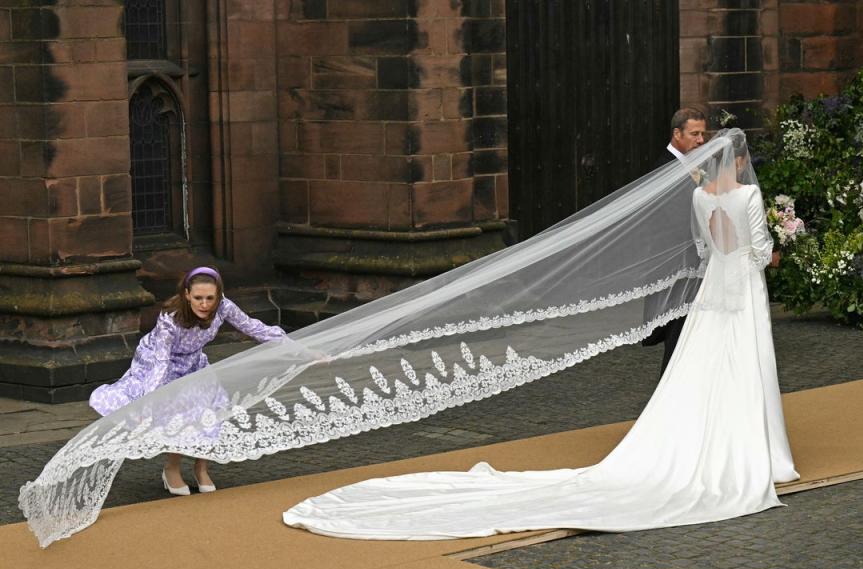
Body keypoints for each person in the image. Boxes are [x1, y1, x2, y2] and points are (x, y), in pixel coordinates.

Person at [282, 130, 801, 540]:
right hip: (744, 288)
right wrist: (773, 250)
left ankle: (704, 439)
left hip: (713, 290)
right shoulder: (749, 194)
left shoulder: (700, 199)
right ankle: (760, 449)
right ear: (739, 161)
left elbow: (707, 251)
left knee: (706, 364)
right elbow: (753, 251)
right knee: (745, 361)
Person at [89, 266, 286, 495]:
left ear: (218, 295)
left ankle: (201, 467)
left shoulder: (223, 307)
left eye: (210, 298)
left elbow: (254, 328)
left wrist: (303, 351)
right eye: (198, 298)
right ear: (186, 295)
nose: (204, 304)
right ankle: (171, 468)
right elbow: (161, 361)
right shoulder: (170, 319)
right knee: (178, 412)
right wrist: (148, 401)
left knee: (212, 408)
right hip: (161, 363)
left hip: (194, 362)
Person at [641, 108, 708, 376]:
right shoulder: (666, 168)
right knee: (678, 331)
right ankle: (669, 392)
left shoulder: (692, 165)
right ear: (677, 134)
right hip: (677, 266)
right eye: (695, 134)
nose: (701, 140)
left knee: (686, 332)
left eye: (703, 133)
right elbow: (673, 222)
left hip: (690, 263)